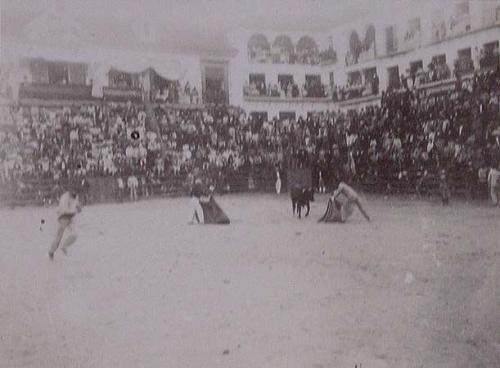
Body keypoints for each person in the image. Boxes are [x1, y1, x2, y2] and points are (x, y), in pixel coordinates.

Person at [48, 188, 82, 260]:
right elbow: (64, 210)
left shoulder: (75, 196)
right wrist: (75, 211)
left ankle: (64, 246)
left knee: (74, 235)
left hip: (70, 218)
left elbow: (77, 205)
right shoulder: (64, 197)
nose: (75, 193)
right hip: (62, 218)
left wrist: (79, 207)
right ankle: (51, 252)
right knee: (58, 238)